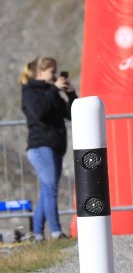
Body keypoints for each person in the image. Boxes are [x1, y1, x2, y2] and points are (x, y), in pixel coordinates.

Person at [20, 55, 76, 240]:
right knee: (50, 188)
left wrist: (70, 94)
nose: (55, 75)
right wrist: (54, 89)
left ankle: (37, 234)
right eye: (52, 71)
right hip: (40, 146)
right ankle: (56, 231)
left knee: (46, 190)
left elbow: (70, 114)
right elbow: (39, 112)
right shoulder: (30, 90)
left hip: (56, 147)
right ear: (40, 71)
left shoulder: (52, 92)